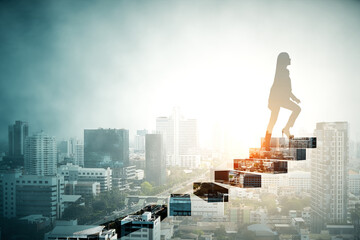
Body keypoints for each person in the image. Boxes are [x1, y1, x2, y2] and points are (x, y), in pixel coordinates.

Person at [263, 52, 301, 150]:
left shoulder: (284, 72)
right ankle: (268, 141)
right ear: (284, 60)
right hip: (277, 99)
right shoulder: (283, 72)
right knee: (273, 120)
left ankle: (286, 129)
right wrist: (293, 98)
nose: (290, 59)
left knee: (273, 120)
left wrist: (294, 98)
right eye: (288, 58)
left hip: (280, 99)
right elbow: (283, 89)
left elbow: (287, 90)